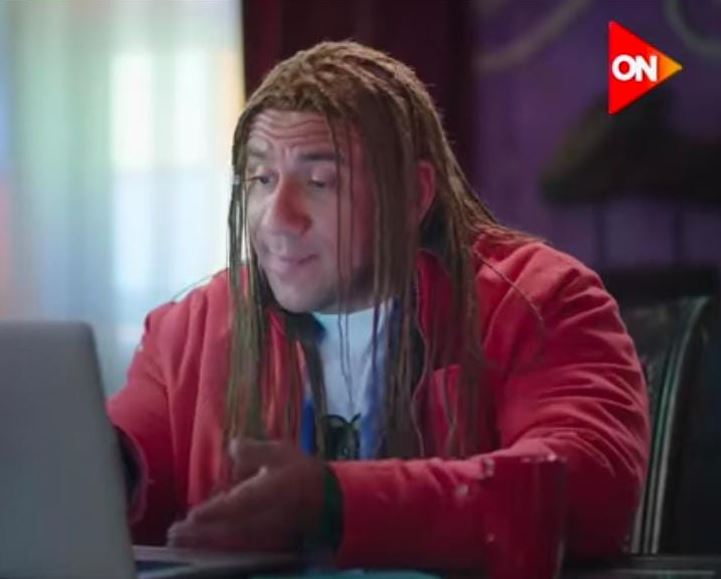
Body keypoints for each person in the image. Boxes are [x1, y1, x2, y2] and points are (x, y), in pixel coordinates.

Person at [107, 40, 649, 570]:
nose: (277, 218)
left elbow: (584, 486)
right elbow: (110, 491)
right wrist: (99, 473)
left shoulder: (538, 300)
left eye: (319, 182)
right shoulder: (189, 329)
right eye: (262, 179)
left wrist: (335, 504)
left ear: (413, 196)